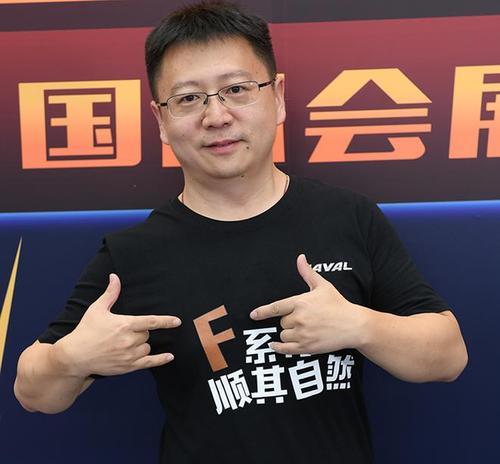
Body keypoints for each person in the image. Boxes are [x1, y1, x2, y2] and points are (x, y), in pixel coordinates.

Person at [14, 2, 468, 463]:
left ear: (278, 96)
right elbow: (34, 393)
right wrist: (71, 359)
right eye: (188, 99)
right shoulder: (134, 254)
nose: (216, 117)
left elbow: (448, 356)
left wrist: (361, 326)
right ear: (161, 121)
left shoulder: (348, 215)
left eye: (236, 89)